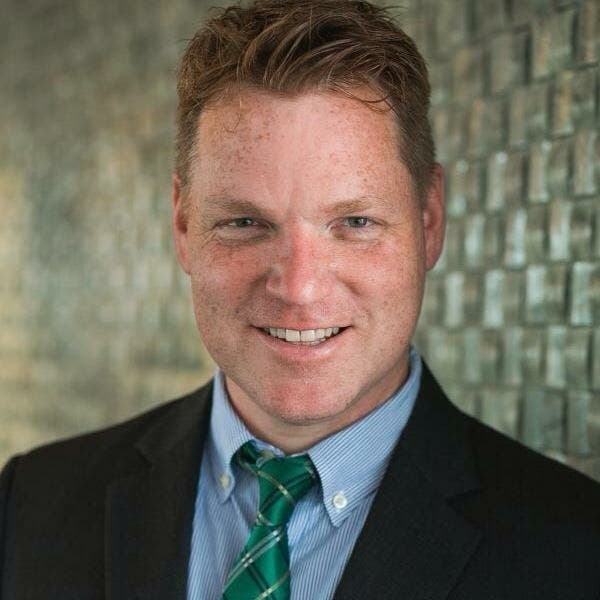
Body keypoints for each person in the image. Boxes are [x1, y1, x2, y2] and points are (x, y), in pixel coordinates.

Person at [1, 0, 600, 598]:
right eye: (245, 223)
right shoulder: (30, 505)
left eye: (356, 222)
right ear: (183, 225)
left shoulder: (577, 549)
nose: (299, 288)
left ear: (429, 220)